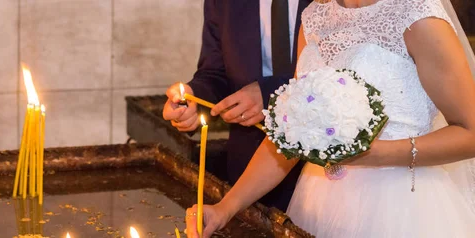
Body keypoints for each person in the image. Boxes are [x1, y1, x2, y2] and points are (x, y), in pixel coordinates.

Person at [184, 0, 475, 237]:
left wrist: (374, 154)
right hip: (318, 204)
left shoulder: (418, 17)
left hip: (401, 207)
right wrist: (226, 207)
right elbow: (292, 133)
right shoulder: (314, 17)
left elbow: (470, 132)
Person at [162, 0, 311, 211]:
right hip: (246, 168)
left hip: (318, 171)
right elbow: (215, 72)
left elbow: (345, 76)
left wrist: (271, 93)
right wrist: (195, 99)